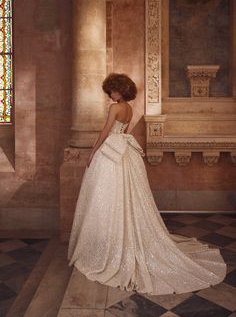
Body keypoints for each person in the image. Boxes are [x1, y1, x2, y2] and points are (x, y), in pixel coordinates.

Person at [67, 73, 226, 295]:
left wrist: (93, 151)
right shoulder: (129, 108)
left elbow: (105, 132)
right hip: (124, 151)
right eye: (109, 90)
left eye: (112, 90)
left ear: (120, 90)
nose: (110, 94)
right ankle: (119, 236)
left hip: (112, 151)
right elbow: (121, 130)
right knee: (124, 195)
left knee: (108, 196)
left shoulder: (115, 108)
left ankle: (109, 244)